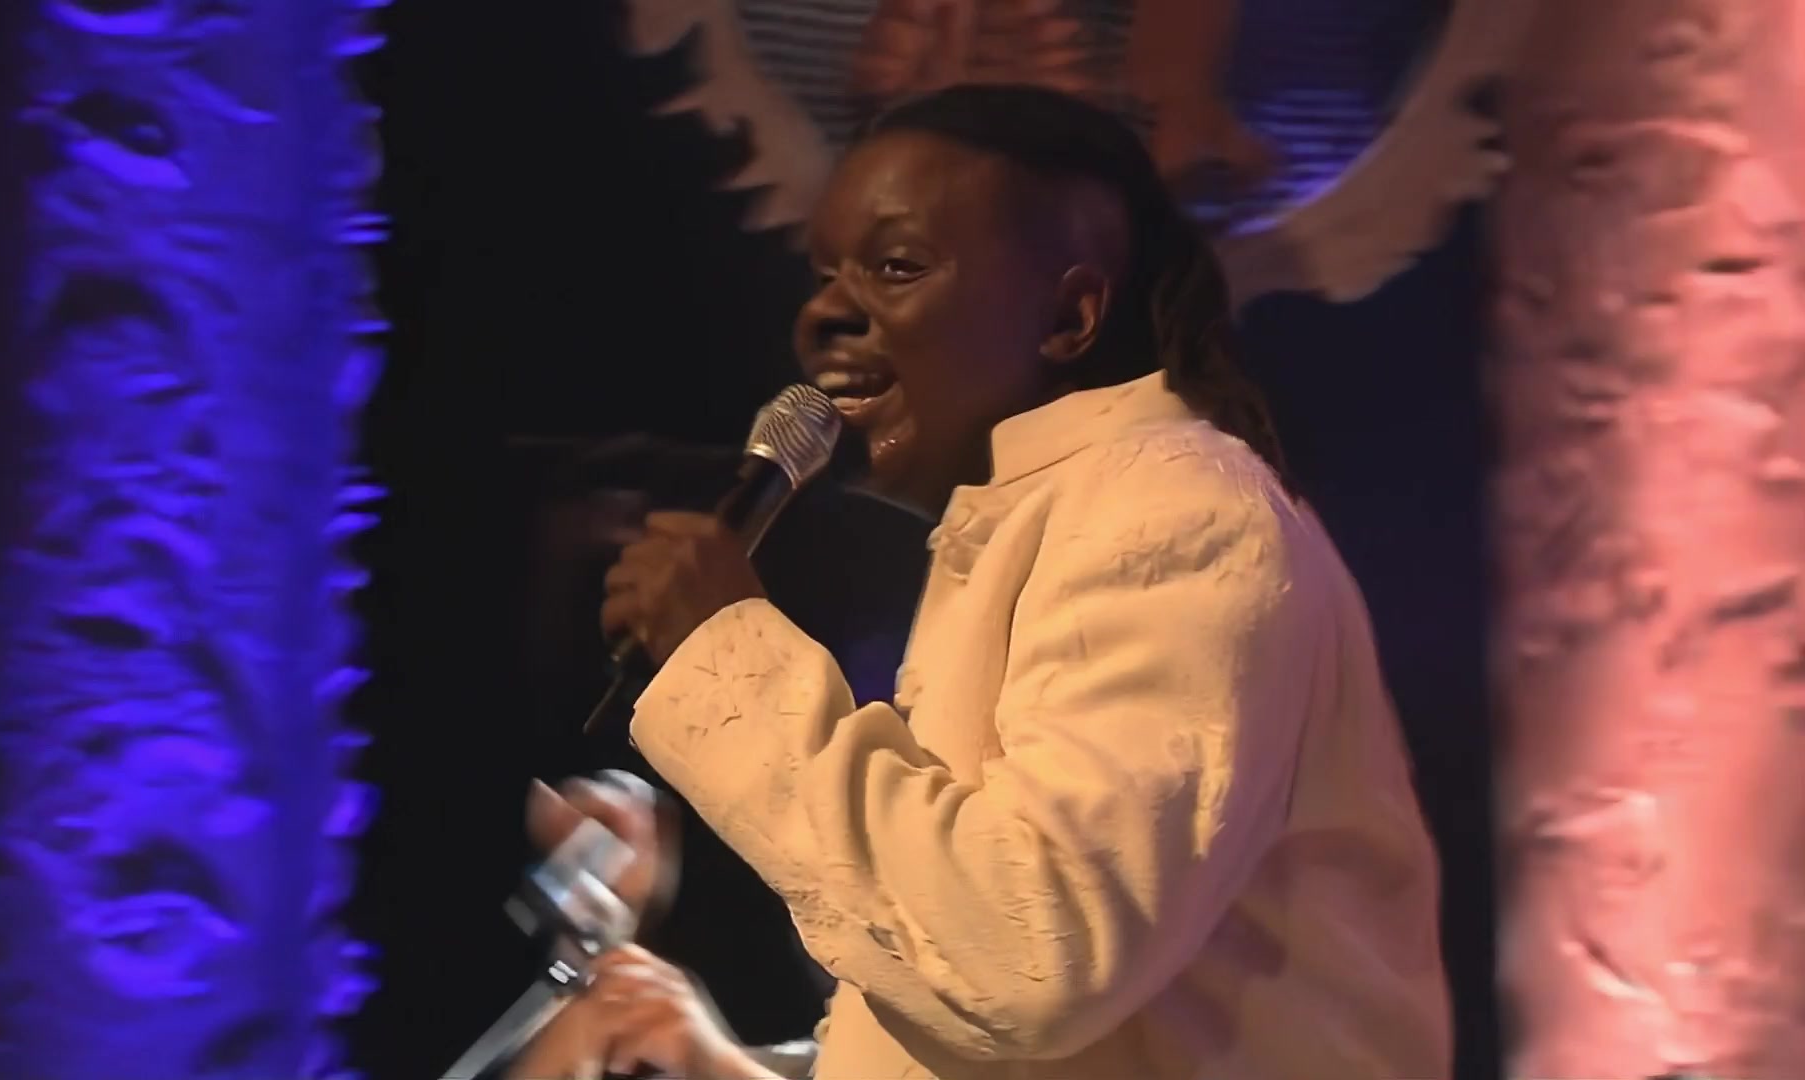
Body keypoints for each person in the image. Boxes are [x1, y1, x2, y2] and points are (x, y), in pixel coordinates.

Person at [513, 83, 1451, 1080]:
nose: (825, 313)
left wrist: (723, 654)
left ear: (1069, 315)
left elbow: (1031, 950)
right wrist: (718, 1064)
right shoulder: (1044, 525)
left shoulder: (1177, 511)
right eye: (824, 276)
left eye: (895, 267)